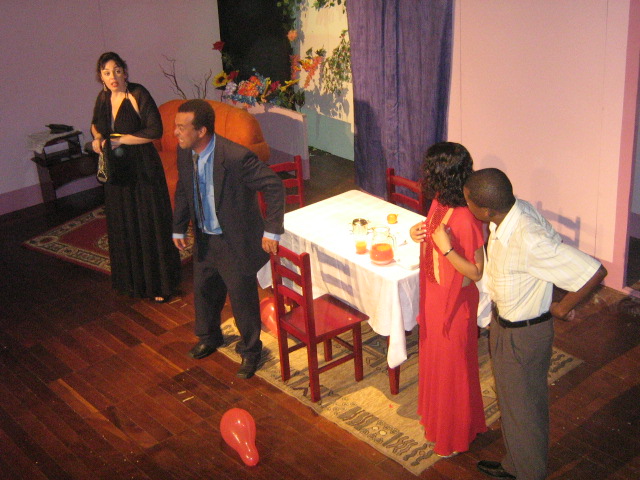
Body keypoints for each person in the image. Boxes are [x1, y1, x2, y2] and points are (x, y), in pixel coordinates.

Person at [463, 168, 607, 480]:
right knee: (513, 403)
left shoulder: (527, 237)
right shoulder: (512, 212)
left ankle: (529, 473)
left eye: (469, 201)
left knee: (524, 409)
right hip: (504, 325)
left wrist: (561, 307)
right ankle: (515, 464)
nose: (467, 205)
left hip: (524, 334)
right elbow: (551, 247)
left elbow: (593, 272)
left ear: (485, 210)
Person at [172, 99, 285, 379]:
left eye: (182, 127)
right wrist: (178, 227)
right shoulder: (185, 152)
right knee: (204, 291)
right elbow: (184, 189)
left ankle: (251, 351)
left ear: (201, 131)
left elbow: (273, 185)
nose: (176, 132)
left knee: (242, 299)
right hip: (204, 237)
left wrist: (271, 230)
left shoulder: (235, 157)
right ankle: (210, 337)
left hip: (234, 241)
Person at [409, 142, 487, 457]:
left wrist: (447, 248)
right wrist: (418, 233)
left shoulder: (467, 217)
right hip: (434, 294)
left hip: (454, 305)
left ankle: (454, 434)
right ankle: (436, 420)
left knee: (453, 370)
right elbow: (433, 235)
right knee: (436, 362)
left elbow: (476, 272)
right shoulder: (440, 201)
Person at [91, 52, 180, 302]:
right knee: (124, 222)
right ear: (101, 77)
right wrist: (98, 139)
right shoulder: (103, 97)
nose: (113, 77)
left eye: (117, 71)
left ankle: (160, 285)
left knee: (149, 222)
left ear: (125, 72)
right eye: (107, 73)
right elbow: (96, 125)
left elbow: (155, 131)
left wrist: (120, 140)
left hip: (143, 167)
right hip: (117, 169)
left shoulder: (138, 93)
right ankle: (132, 282)